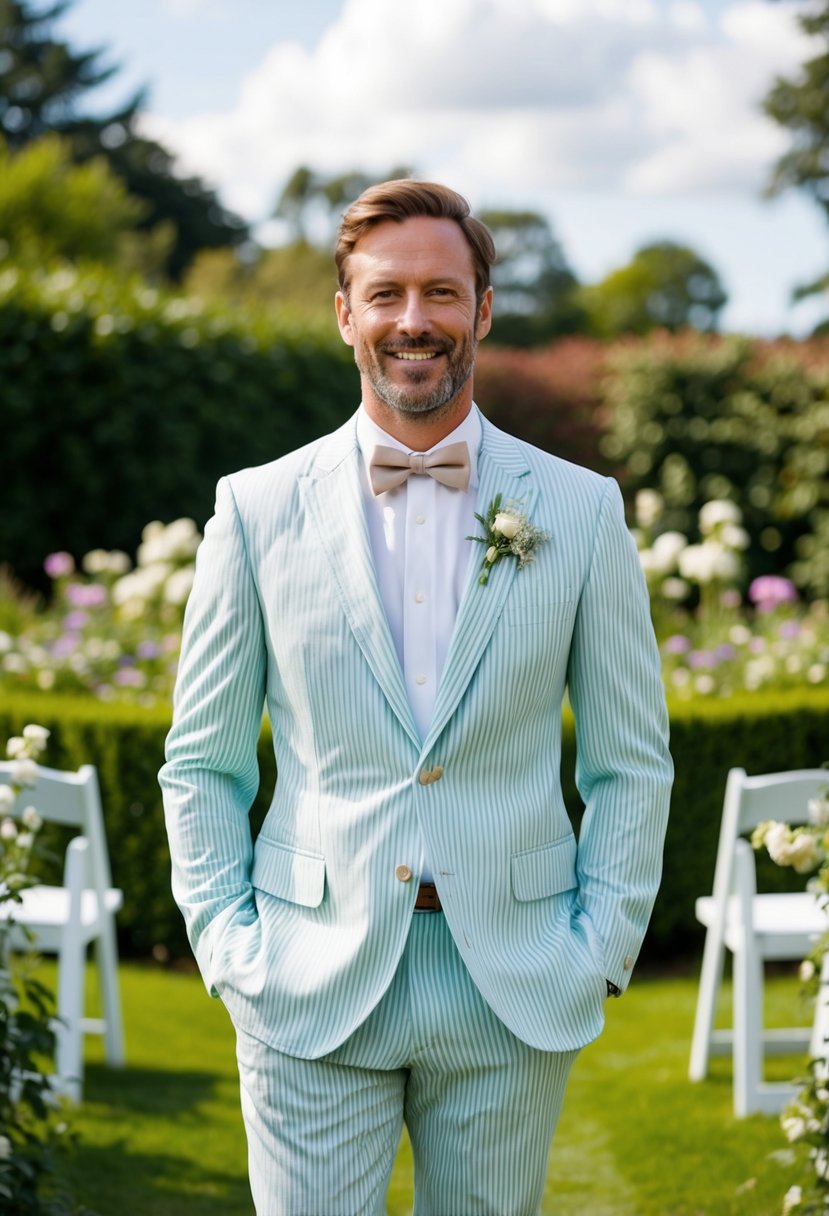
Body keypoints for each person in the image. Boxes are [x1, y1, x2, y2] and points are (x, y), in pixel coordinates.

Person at [159, 179, 673, 1216]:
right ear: (345, 311)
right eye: (385, 292)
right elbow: (203, 762)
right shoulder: (254, 511)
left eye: (441, 291)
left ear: (482, 308)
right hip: (306, 979)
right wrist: (230, 946)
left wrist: (599, 949)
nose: (413, 320)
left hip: (513, 979)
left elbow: (630, 760)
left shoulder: (579, 510)